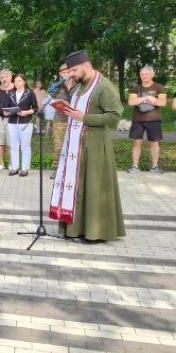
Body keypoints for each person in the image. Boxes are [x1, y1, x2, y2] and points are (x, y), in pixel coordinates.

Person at [50, 50, 125, 243]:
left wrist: (82, 117)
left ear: (86, 65)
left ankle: (95, 232)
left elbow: (114, 116)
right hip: (76, 144)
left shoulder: (104, 86)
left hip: (95, 146)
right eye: (69, 71)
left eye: (74, 70)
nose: (71, 74)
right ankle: (74, 230)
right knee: (77, 188)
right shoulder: (80, 86)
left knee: (93, 188)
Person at [127, 66, 167, 174]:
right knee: (136, 142)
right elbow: (131, 102)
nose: (144, 76)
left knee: (154, 143)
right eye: (142, 74)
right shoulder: (136, 88)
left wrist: (150, 100)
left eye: (146, 74)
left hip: (154, 119)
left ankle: (155, 167)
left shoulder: (159, 87)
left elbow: (162, 103)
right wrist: (146, 98)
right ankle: (135, 166)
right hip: (138, 119)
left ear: (152, 75)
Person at [6, 73, 37, 177]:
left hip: (26, 122)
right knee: (14, 146)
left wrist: (26, 112)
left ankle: (24, 169)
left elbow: (36, 108)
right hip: (12, 122)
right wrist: (7, 112)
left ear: (24, 81)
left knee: (25, 146)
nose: (17, 83)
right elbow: (7, 108)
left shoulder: (30, 93)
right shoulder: (10, 94)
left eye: (19, 81)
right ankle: (14, 168)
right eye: (15, 81)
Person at [50, 63, 74, 179]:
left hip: (75, 120)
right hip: (60, 120)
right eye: (62, 71)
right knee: (58, 146)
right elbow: (51, 99)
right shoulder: (56, 86)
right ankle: (56, 169)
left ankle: (71, 169)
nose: (65, 73)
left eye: (67, 71)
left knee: (73, 146)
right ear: (60, 74)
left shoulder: (78, 85)